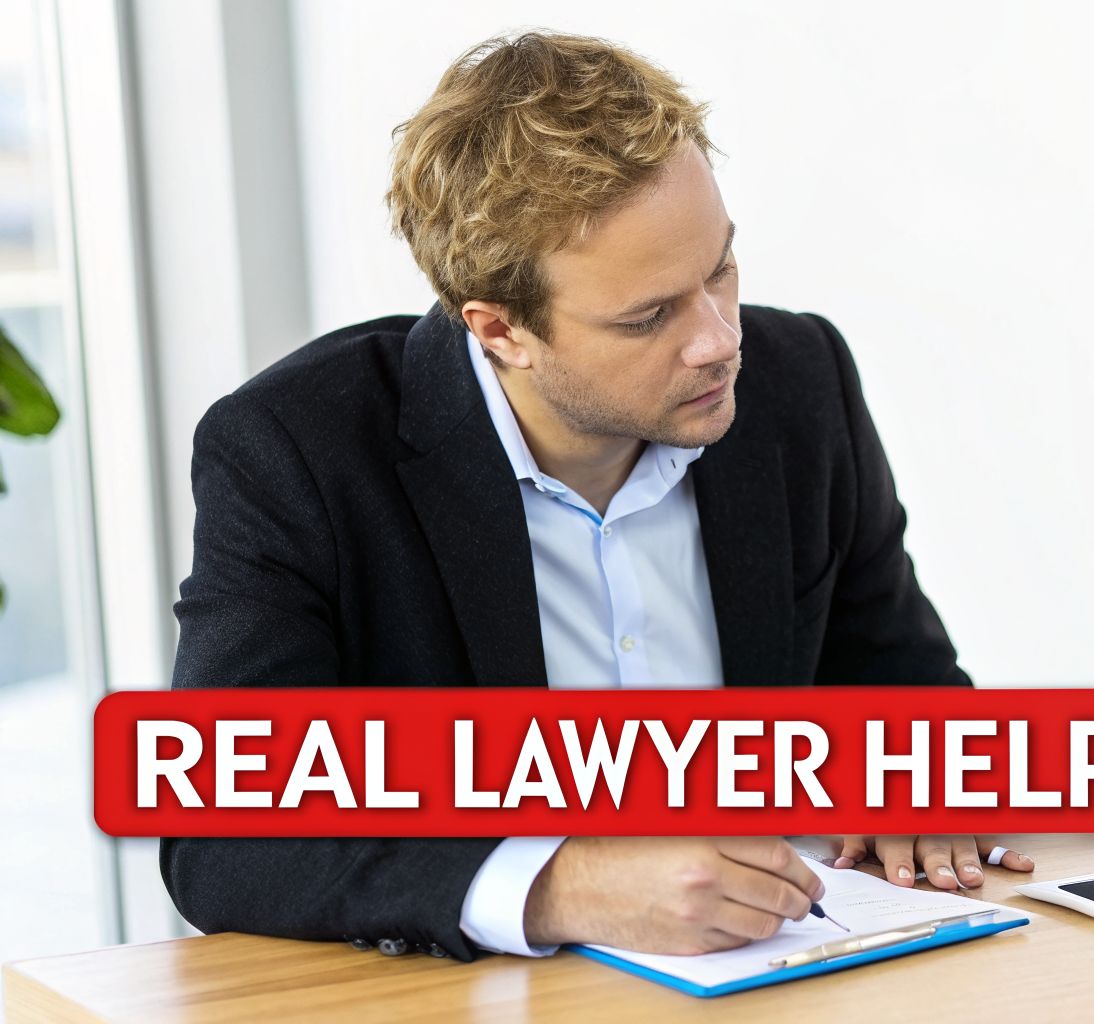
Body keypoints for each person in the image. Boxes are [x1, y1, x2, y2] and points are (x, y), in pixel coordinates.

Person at [161, 32, 1032, 963]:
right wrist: (561, 885)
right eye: (649, 315)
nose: (717, 339)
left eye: (721, 270)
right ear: (500, 330)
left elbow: (902, 684)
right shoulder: (297, 450)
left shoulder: (798, 381)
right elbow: (222, 834)